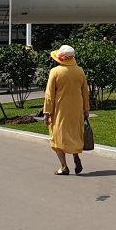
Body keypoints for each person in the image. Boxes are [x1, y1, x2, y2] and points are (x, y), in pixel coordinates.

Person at [42, 44, 91, 175]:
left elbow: (49, 94)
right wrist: (86, 109)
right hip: (76, 109)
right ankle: (75, 155)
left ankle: (63, 167)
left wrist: (47, 113)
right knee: (74, 134)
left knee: (57, 138)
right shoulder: (80, 71)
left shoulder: (55, 72)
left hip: (60, 110)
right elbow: (85, 92)